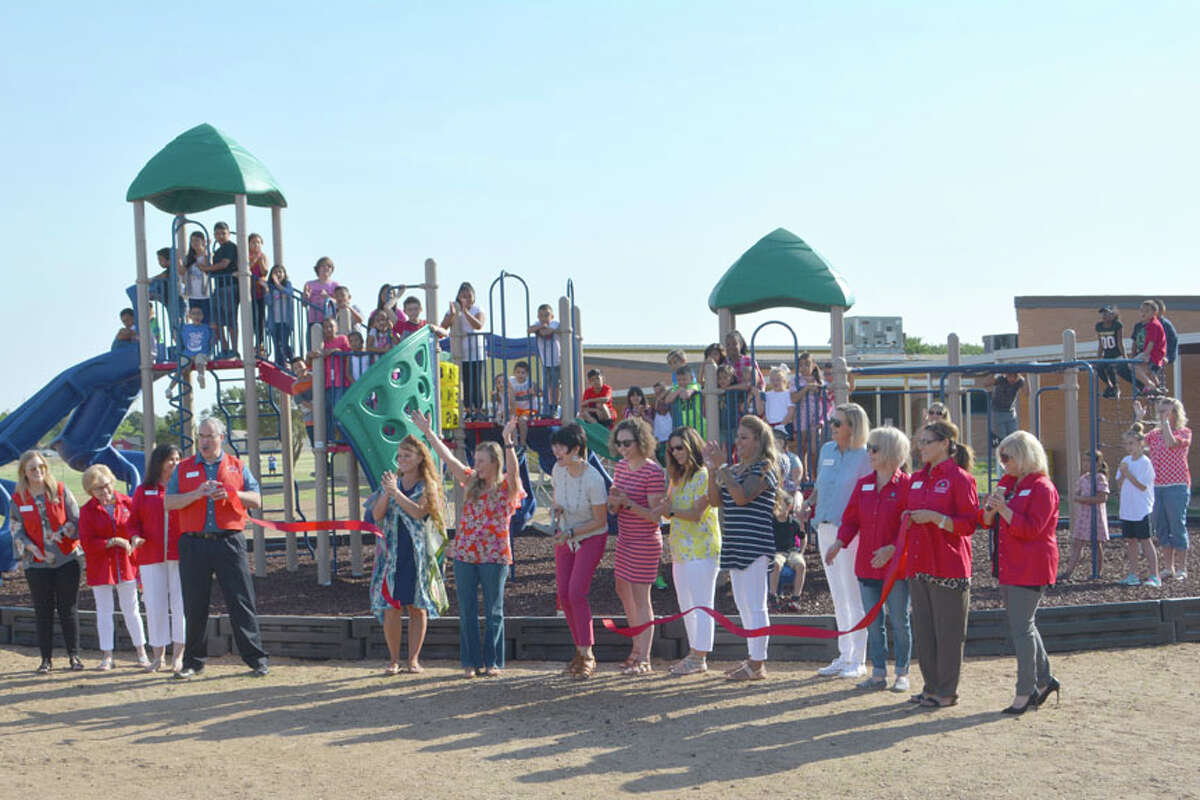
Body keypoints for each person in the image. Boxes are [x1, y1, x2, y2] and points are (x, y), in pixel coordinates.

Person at [417, 411, 523, 677]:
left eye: (482, 461)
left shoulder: (506, 488)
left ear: (495, 463)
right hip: (465, 554)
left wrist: (507, 440)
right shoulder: (470, 481)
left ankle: (494, 662)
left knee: (494, 611)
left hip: (495, 556)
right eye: (476, 460)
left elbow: (515, 471)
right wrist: (429, 434)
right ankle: (470, 662)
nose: (476, 464)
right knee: (467, 611)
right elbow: (448, 458)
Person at [165, 417, 269, 678]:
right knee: (194, 604)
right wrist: (196, 494)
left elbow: (256, 499)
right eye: (201, 436)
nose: (205, 441)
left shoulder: (237, 466)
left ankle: (256, 659)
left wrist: (231, 494)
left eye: (210, 436)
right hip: (193, 543)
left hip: (229, 541)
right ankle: (192, 662)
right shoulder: (184, 468)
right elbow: (169, 502)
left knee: (241, 601)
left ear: (222, 438)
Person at [824, 426, 912, 691]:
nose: (869, 453)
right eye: (870, 448)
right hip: (867, 566)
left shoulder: (907, 485)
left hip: (895, 568)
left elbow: (911, 527)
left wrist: (892, 550)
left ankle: (902, 673)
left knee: (899, 620)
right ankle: (878, 672)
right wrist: (839, 542)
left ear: (891, 452)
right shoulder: (864, 485)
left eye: (875, 449)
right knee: (874, 624)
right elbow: (851, 519)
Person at [981, 431, 1061, 714]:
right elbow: (987, 521)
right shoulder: (1009, 484)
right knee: (1025, 625)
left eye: (1008, 457)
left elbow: (1031, 529)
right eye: (1001, 458)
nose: (1004, 463)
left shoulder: (1042, 487)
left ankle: (1026, 690)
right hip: (1010, 564)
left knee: (1022, 628)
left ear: (1024, 456)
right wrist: (991, 509)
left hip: (1031, 565)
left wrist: (1003, 510)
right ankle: (1044, 679)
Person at [904, 419, 979, 708]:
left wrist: (937, 519)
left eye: (926, 442)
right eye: (919, 442)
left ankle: (946, 691)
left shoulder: (961, 479)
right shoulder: (918, 478)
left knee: (948, 633)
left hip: (948, 565)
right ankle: (930, 686)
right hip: (919, 563)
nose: (920, 447)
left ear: (945, 444)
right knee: (924, 631)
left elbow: (970, 524)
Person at [702, 415, 779, 681]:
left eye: (744, 438)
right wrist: (713, 470)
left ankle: (758, 664)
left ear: (758, 440)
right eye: (738, 437)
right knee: (743, 604)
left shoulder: (764, 468)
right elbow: (715, 501)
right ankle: (752, 659)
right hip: (735, 542)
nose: (738, 442)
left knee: (756, 604)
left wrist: (722, 465)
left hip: (755, 543)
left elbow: (742, 497)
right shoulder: (733, 470)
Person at [799, 402, 871, 679]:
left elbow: (867, 495)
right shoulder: (828, 451)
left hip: (851, 533)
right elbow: (820, 487)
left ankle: (859, 658)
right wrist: (809, 504)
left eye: (837, 423)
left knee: (853, 596)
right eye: (832, 421)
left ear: (853, 426)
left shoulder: (865, 456)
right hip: (826, 528)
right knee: (839, 596)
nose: (832, 427)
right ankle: (844, 655)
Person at [367, 430, 448, 675]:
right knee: (391, 606)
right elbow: (377, 515)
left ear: (419, 458)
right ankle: (393, 659)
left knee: (416, 605)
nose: (402, 459)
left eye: (407, 455)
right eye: (400, 455)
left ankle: (413, 659)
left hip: (416, 553)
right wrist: (387, 492)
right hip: (391, 552)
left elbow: (417, 511)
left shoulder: (428, 485)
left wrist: (396, 493)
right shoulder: (392, 482)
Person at [11, 451, 83, 673]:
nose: (38, 472)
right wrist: (30, 547)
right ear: (24, 472)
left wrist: (64, 533)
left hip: (67, 559)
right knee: (43, 611)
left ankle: (74, 656)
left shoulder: (60, 491)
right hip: (36, 563)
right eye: (33, 468)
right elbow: (16, 530)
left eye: (41, 467)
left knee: (67, 609)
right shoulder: (18, 499)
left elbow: (76, 519)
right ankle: (46, 660)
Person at [607, 417, 667, 675]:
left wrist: (627, 502)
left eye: (627, 443)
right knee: (623, 590)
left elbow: (656, 516)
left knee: (642, 598)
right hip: (626, 537)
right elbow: (614, 505)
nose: (622, 448)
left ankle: (645, 657)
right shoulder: (621, 466)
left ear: (641, 441)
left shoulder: (653, 471)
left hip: (644, 539)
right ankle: (636, 647)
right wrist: (613, 502)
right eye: (619, 443)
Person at [549, 423, 609, 679]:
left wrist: (572, 533)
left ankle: (587, 654)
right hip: (566, 536)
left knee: (576, 592)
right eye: (555, 446)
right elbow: (557, 499)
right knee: (563, 594)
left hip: (590, 537)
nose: (556, 451)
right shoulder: (557, 469)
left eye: (562, 447)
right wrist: (556, 511)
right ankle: (578, 650)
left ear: (576, 449)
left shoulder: (593, 478)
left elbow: (600, 521)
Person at [660, 427, 721, 676]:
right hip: (680, 549)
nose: (675, 453)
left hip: (703, 549)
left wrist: (670, 511)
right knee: (686, 604)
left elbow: (696, 514)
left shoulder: (704, 475)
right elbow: (666, 509)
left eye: (680, 447)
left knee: (702, 603)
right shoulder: (677, 477)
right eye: (672, 449)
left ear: (691, 446)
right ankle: (695, 654)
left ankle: (700, 654)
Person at [78, 464, 150, 671]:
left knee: (132, 610)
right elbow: (87, 542)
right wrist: (113, 541)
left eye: (107, 485)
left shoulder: (127, 503)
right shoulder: (87, 511)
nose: (105, 491)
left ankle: (142, 652)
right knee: (104, 611)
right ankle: (107, 656)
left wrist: (134, 541)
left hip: (127, 565)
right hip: (101, 567)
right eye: (98, 488)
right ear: (90, 491)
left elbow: (137, 528)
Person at [128, 444, 186, 673]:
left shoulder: (183, 488)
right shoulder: (144, 491)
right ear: (159, 462)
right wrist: (135, 537)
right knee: (154, 606)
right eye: (170, 459)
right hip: (151, 557)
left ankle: (179, 656)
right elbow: (132, 522)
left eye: (178, 458)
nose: (174, 463)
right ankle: (158, 656)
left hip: (180, 555)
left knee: (180, 605)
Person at [1138, 397, 1191, 580]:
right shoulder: (1154, 434)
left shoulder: (1184, 432)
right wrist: (1138, 419)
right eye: (1159, 411)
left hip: (1176, 486)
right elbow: (1137, 443)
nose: (1161, 414)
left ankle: (1182, 568)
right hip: (1156, 487)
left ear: (1175, 413)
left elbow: (1171, 443)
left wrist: (1166, 424)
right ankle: (1168, 568)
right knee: (1161, 528)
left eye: (1165, 411)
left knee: (1177, 526)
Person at [1115, 422, 1159, 587]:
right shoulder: (1125, 460)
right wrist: (1122, 474)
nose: (1128, 447)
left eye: (1131, 443)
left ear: (1140, 444)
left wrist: (1127, 473)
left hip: (1142, 509)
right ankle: (1133, 574)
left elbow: (1142, 486)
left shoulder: (1145, 463)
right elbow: (1119, 483)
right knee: (1131, 541)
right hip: (1127, 509)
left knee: (1145, 541)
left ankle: (1154, 576)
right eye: (1126, 444)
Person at [769, 429, 805, 611]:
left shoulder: (792, 459)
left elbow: (796, 483)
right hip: (775, 498)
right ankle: (772, 595)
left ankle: (795, 597)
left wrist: (792, 502)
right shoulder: (766, 458)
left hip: (787, 497)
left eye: (778, 440)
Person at [441, 282, 488, 421]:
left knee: (476, 382)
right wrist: (452, 314)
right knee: (465, 383)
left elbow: (478, 325)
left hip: (476, 352)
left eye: (469, 296)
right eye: (463, 296)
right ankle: (468, 410)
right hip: (460, 352)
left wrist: (465, 311)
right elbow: (443, 327)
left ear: (473, 298)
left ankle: (478, 410)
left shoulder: (477, 309)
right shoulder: (452, 310)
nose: (466, 299)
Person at [1061, 450, 1110, 581]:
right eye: (1084, 461)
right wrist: (1076, 497)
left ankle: (1098, 572)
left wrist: (1083, 499)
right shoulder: (1083, 478)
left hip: (1095, 515)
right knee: (1077, 543)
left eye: (1088, 461)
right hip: (1083, 516)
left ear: (1098, 464)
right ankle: (1068, 572)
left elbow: (1102, 497)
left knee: (1096, 544)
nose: (1085, 464)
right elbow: (1076, 494)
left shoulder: (1100, 478)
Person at [208, 221, 239, 357]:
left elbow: (224, 264)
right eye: (217, 234)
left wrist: (207, 269)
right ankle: (225, 348)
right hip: (219, 287)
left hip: (230, 286)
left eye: (223, 233)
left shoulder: (230, 247)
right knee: (216, 320)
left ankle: (234, 348)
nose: (220, 236)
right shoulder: (218, 250)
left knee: (231, 319)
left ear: (228, 233)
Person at [981, 372, 1025, 461]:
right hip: (997, 412)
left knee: (1014, 438)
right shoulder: (1001, 380)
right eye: (1009, 376)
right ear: (1006, 375)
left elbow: (1027, 392)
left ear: (1017, 376)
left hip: (1010, 413)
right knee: (1003, 440)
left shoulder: (1019, 381)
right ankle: (1004, 460)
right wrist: (993, 372)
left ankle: (1014, 459)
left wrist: (1027, 377)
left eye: (1013, 376)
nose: (1011, 379)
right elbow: (985, 383)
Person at [529, 303, 561, 415]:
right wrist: (541, 326)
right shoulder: (538, 324)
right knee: (548, 386)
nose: (544, 318)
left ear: (552, 316)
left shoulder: (555, 323)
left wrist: (543, 328)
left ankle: (555, 407)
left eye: (546, 315)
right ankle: (551, 407)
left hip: (556, 361)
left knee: (555, 385)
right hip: (545, 362)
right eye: (541, 316)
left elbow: (545, 332)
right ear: (538, 317)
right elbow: (529, 330)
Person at [302, 257, 339, 349]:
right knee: (312, 346)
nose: (326, 268)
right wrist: (306, 296)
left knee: (328, 346)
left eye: (329, 266)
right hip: (313, 319)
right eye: (323, 266)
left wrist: (328, 297)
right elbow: (304, 304)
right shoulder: (309, 284)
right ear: (318, 269)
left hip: (328, 321)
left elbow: (339, 302)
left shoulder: (335, 285)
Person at [1132, 300, 1167, 394]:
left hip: (1153, 353)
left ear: (1154, 313)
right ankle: (1157, 385)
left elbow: (1151, 342)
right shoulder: (1152, 324)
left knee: (1132, 364)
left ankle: (1149, 385)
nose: (1143, 313)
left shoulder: (1153, 325)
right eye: (1142, 311)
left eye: (1147, 311)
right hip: (1155, 352)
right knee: (1145, 369)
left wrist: (1146, 355)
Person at [183, 230, 212, 336]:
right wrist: (177, 259)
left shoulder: (207, 255)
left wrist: (206, 248)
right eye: (192, 241)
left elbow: (207, 266)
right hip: (193, 295)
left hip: (206, 295)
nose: (194, 243)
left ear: (202, 241)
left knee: (207, 321)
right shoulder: (189, 258)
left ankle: (209, 346)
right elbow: (182, 271)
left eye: (197, 240)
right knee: (195, 322)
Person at [177, 305, 212, 391]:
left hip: (201, 352)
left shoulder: (206, 328)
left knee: (200, 360)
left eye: (199, 314)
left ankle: (201, 376)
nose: (197, 316)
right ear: (190, 316)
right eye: (194, 314)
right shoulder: (186, 328)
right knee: (182, 367)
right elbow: (179, 337)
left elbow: (211, 339)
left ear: (202, 316)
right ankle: (170, 388)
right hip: (188, 353)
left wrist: (210, 350)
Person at [265, 264, 295, 367]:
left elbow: (289, 293)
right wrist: (267, 290)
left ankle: (292, 359)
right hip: (274, 321)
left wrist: (278, 285)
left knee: (284, 344)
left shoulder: (287, 284)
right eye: (275, 272)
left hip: (285, 321)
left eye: (280, 272)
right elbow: (268, 302)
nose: (278, 274)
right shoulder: (271, 287)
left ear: (284, 274)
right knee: (277, 344)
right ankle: (279, 364)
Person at [1095, 305, 1125, 398]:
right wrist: (1098, 359)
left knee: (1111, 368)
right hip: (1107, 355)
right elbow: (1101, 344)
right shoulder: (1099, 326)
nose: (1104, 315)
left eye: (1107, 313)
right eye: (1103, 313)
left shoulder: (1117, 325)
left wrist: (1125, 357)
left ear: (1112, 315)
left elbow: (1120, 342)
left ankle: (1116, 388)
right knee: (1099, 368)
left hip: (1116, 355)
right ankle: (1110, 386)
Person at [248, 233, 269, 352]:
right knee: (251, 318)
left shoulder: (263, 256)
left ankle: (260, 343)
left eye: (258, 242)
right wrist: (253, 260)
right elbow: (246, 269)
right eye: (253, 242)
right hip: (249, 292)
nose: (256, 245)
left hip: (260, 291)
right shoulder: (247, 256)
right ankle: (251, 344)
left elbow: (264, 272)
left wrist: (259, 260)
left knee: (260, 318)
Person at [760, 365, 796, 435]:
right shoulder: (767, 395)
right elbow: (766, 410)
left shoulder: (788, 394)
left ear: (784, 380)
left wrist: (782, 425)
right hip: (770, 425)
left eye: (778, 380)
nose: (775, 382)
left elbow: (791, 411)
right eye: (772, 380)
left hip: (784, 425)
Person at [508, 361, 538, 446]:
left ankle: (523, 442)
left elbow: (539, 393)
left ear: (527, 374)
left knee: (522, 420)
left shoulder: (530, 383)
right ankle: (514, 442)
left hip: (529, 409)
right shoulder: (511, 382)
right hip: (516, 409)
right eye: (518, 372)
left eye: (523, 373)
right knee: (512, 420)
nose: (520, 375)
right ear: (514, 373)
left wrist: (534, 392)